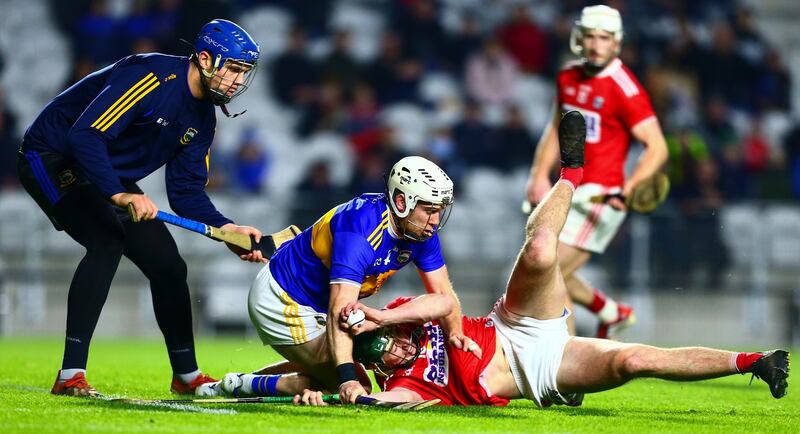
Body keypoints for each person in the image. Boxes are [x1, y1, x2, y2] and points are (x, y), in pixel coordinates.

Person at [296, 111, 790, 407]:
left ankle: (572, 171)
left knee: (537, 250)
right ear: (381, 370)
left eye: (390, 342)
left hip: (514, 320)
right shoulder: (409, 386)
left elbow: (445, 305)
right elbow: (385, 403)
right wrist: (336, 393)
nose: (400, 350)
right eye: (388, 356)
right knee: (634, 359)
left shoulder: (403, 320)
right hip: (543, 367)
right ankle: (753, 361)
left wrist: (383, 316)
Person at [16, 19, 265, 397]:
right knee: (107, 240)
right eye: (232, 68)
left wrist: (226, 228)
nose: (236, 81)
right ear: (204, 58)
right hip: (52, 155)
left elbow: (185, 193)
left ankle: (187, 377)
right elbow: (84, 135)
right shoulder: (150, 76)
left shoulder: (204, 119)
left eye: (242, 73)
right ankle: (70, 376)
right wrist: (120, 195)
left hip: (104, 172)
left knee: (168, 265)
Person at [237, 156, 481, 404]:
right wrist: (346, 378)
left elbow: (442, 292)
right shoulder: (360, 229)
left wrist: (455, 333)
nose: (436, 221)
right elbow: (339, 309)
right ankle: (240, 385)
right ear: (401, 202)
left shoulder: (421, 232)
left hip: (320, 301)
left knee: (334, 363)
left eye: (439, 210)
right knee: (357, 382)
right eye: (429, 211)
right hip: (284, 299)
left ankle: (241, 382)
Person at [523, 5, 668, 338]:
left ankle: (566, 362)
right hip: (567, 187)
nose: (595, 44)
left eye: (604, 38)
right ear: (579, 37)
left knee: (548, 269)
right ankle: (610, 313)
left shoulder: (624, 88)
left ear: (616, 43)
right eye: (590, 36)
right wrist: (537, 175)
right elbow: (555, 129)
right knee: (552, 268)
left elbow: (657, 146)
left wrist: (629, 188)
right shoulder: (567, 76)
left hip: (603, 195)